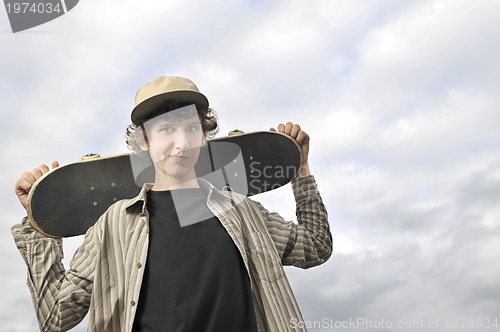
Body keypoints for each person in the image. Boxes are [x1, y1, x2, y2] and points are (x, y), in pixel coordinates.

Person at [12, 76, 332, 332]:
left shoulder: (242, 211)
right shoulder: (114, 225)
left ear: (204, 135)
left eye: (191, 128)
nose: (181, 142)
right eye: (166, 129)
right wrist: (40, 222)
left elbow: (315, 247)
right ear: (144, 141)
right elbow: (56, 317)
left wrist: (301, 174)